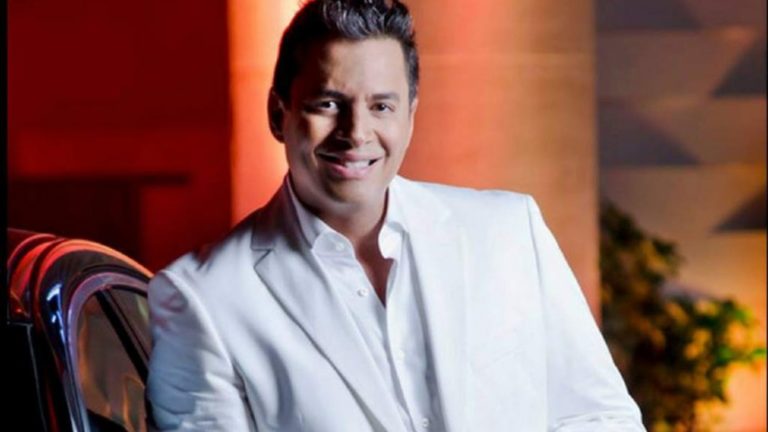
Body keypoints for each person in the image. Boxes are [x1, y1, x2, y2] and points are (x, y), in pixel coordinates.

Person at [145, 0, 645, 430]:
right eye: (328, 103)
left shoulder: (510, 232)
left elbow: (600, 418)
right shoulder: (202, 299)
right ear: (280, 115)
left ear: (411, 114)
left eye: (381, 106)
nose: (356, 132)